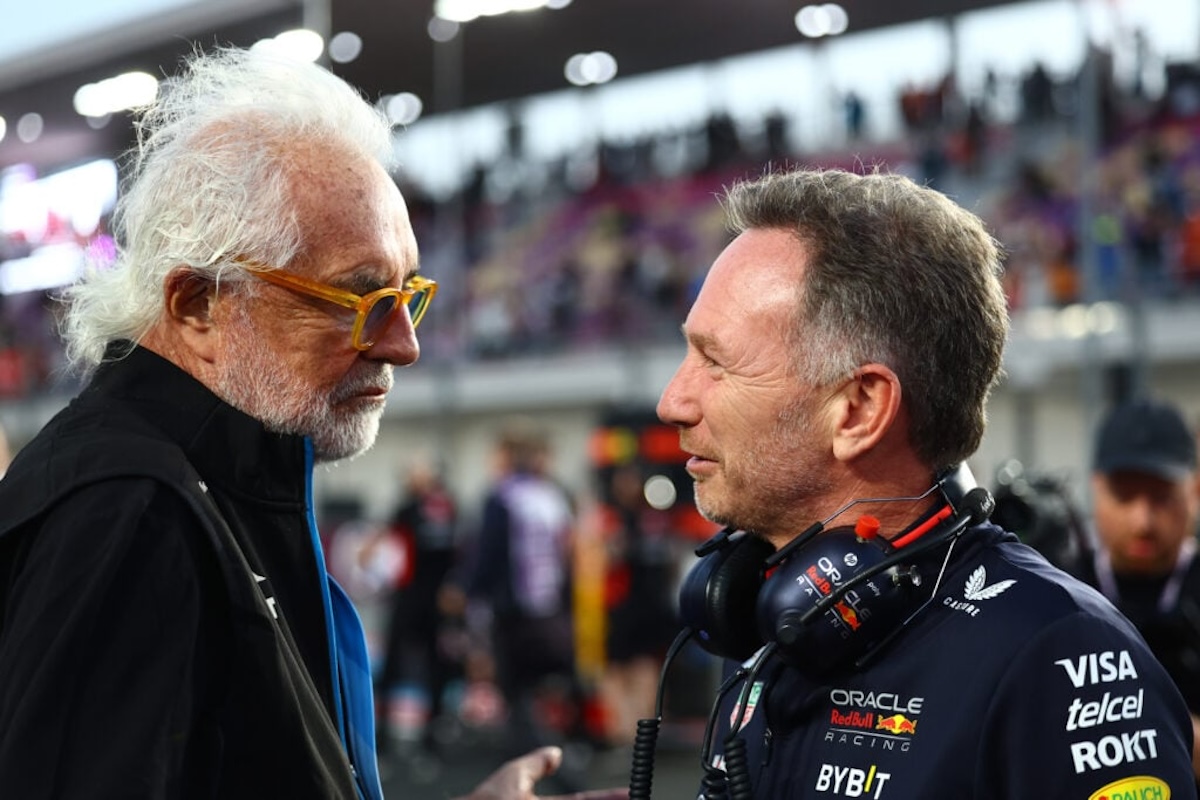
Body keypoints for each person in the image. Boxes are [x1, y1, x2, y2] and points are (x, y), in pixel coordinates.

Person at [0, 47, 621, 800]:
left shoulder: (207, 480)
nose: (403, 343)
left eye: (407, 295)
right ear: (199, 304)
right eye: (357, 301)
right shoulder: (130, 511)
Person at [652, 167, 1196, 797]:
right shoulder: (772, 616)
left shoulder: (1059, 654)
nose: (673, 401)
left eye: (715, 363)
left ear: (859, 407)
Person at [1072, 398, 1200, 781]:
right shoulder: (1058, 588)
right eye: (1125, 496)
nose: (1142, 520)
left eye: (1161, 497)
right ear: (1096, 488)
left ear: (1194, 489)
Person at [464, 419, 587, 777]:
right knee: (550, 681)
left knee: (515, 688)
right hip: (550, 608)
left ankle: (536, 759)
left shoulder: (503, 496)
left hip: (515, 609)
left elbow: (487, 555)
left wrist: (469, 594)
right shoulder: (552, 496)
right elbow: (568, 554)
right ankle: (565, 747)